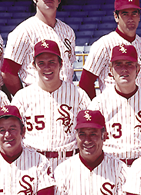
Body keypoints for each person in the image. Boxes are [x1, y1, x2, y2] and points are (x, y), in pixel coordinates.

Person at [10, 39, 90, 170]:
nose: (47, 67)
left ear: (61, 64)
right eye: (41, 63)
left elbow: (91, 131)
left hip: (69, 162)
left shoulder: (78, 95)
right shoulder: (22, 97)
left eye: (52, 62)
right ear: (34, 65)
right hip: (33, 163)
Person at [1, 0, 77, 93]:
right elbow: (7, 71)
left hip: (66, 96)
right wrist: (23, 98)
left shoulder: (68, 31)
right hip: (36, 98)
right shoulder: (23, 31)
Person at [88, 44, 141, 165]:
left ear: (138, 69)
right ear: (110, 70)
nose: (124, 69)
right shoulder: (98, 103)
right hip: (111, 166)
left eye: (129, 64)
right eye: (118, 64)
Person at [78, 0, 141, 99]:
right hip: (112, 108)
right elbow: (85, 83)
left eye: (134, 13)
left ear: (139, 16)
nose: (130, 18)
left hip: (140, 107)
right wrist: (97, 108)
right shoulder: (103, 44)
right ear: (116, 16)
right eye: (125, 13)